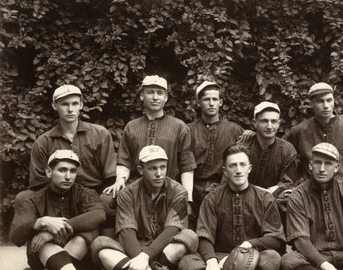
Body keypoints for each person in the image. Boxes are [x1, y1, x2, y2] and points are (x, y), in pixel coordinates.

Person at [178, 144, 286, 270]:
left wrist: (249, 244)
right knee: (187, 263)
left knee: (273, 260)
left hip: (253, 260)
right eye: (232, 165)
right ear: (225, 170)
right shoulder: (212, 198)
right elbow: (204, 234)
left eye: (242, 165)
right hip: (220, 258)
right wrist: (211, 261)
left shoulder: (264, 198)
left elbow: (275, 238)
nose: (238, 170)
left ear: (249, 168)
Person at [90, 145, 198, 270]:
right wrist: (141, 259)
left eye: (163, 167)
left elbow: (173, 229)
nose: (159, 173)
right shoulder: (128, 193)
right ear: (141, 169)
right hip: (133, 252)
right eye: (152, 168)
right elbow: (126, 230)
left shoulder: (178, 191)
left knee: (189, 237)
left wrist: (145, 257)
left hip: (164, 252)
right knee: (100, 244)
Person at [7, 150, 109, 270]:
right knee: (39, 237)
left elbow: (99, 215)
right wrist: (41, 223)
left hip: (79, 265)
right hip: (42, 261)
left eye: (73, 171)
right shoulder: (33, 199)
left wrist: (54, 231)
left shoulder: (85, 193)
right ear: (49, 172)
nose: (68, 176)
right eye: (62, 170)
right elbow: (15, 236)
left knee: (87, 232)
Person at [284, 82, 343, 250]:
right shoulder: (300, 130)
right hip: (313, 188)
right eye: (320, 101)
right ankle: (308, 250)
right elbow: (286, 154)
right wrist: (294, 184)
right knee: (286, 200)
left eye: (329, 100)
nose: (326, 105)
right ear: (312, 103)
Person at [15, 84, 117, 234]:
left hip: (91, 193)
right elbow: (38, 183)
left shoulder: (100, 133)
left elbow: (110, 176)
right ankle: (37, 247)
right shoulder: (43, 141)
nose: (70, 109)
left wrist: (95, 197)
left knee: (108, 198)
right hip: (57, 193)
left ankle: (106, 243)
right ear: (55, 105)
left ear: (81, 105)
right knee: (22, 197)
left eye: (75, 104)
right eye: (64, 104)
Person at [104, 75, 196, 217]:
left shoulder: (179, 127)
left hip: (167, 186)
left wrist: (187, 197)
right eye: (150, 92)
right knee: (106, 200)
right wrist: (120, 180)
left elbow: (186, 165)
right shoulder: (131, 126)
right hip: (135, 186)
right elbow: (124, 160)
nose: (155, 97)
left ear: (166, 98)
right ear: (142, 96)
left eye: (160, 93)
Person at [188, 81, 244, 212]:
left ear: (221, 102)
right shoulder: (188, 130)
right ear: (198, 102)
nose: (211, 103)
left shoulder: (235, 130)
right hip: (194, 189)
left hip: (225, 188)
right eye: (207, 99)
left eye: (215, 99)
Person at [243, 101, 298, 202]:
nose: (269, 126)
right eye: (264, 121)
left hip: (274, 201)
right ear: (255, 123)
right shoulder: (243, 147)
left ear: (279, 124)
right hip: (245, 199)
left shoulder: (287, 150)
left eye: (273, 121)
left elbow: (288, 182)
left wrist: (267, 193)